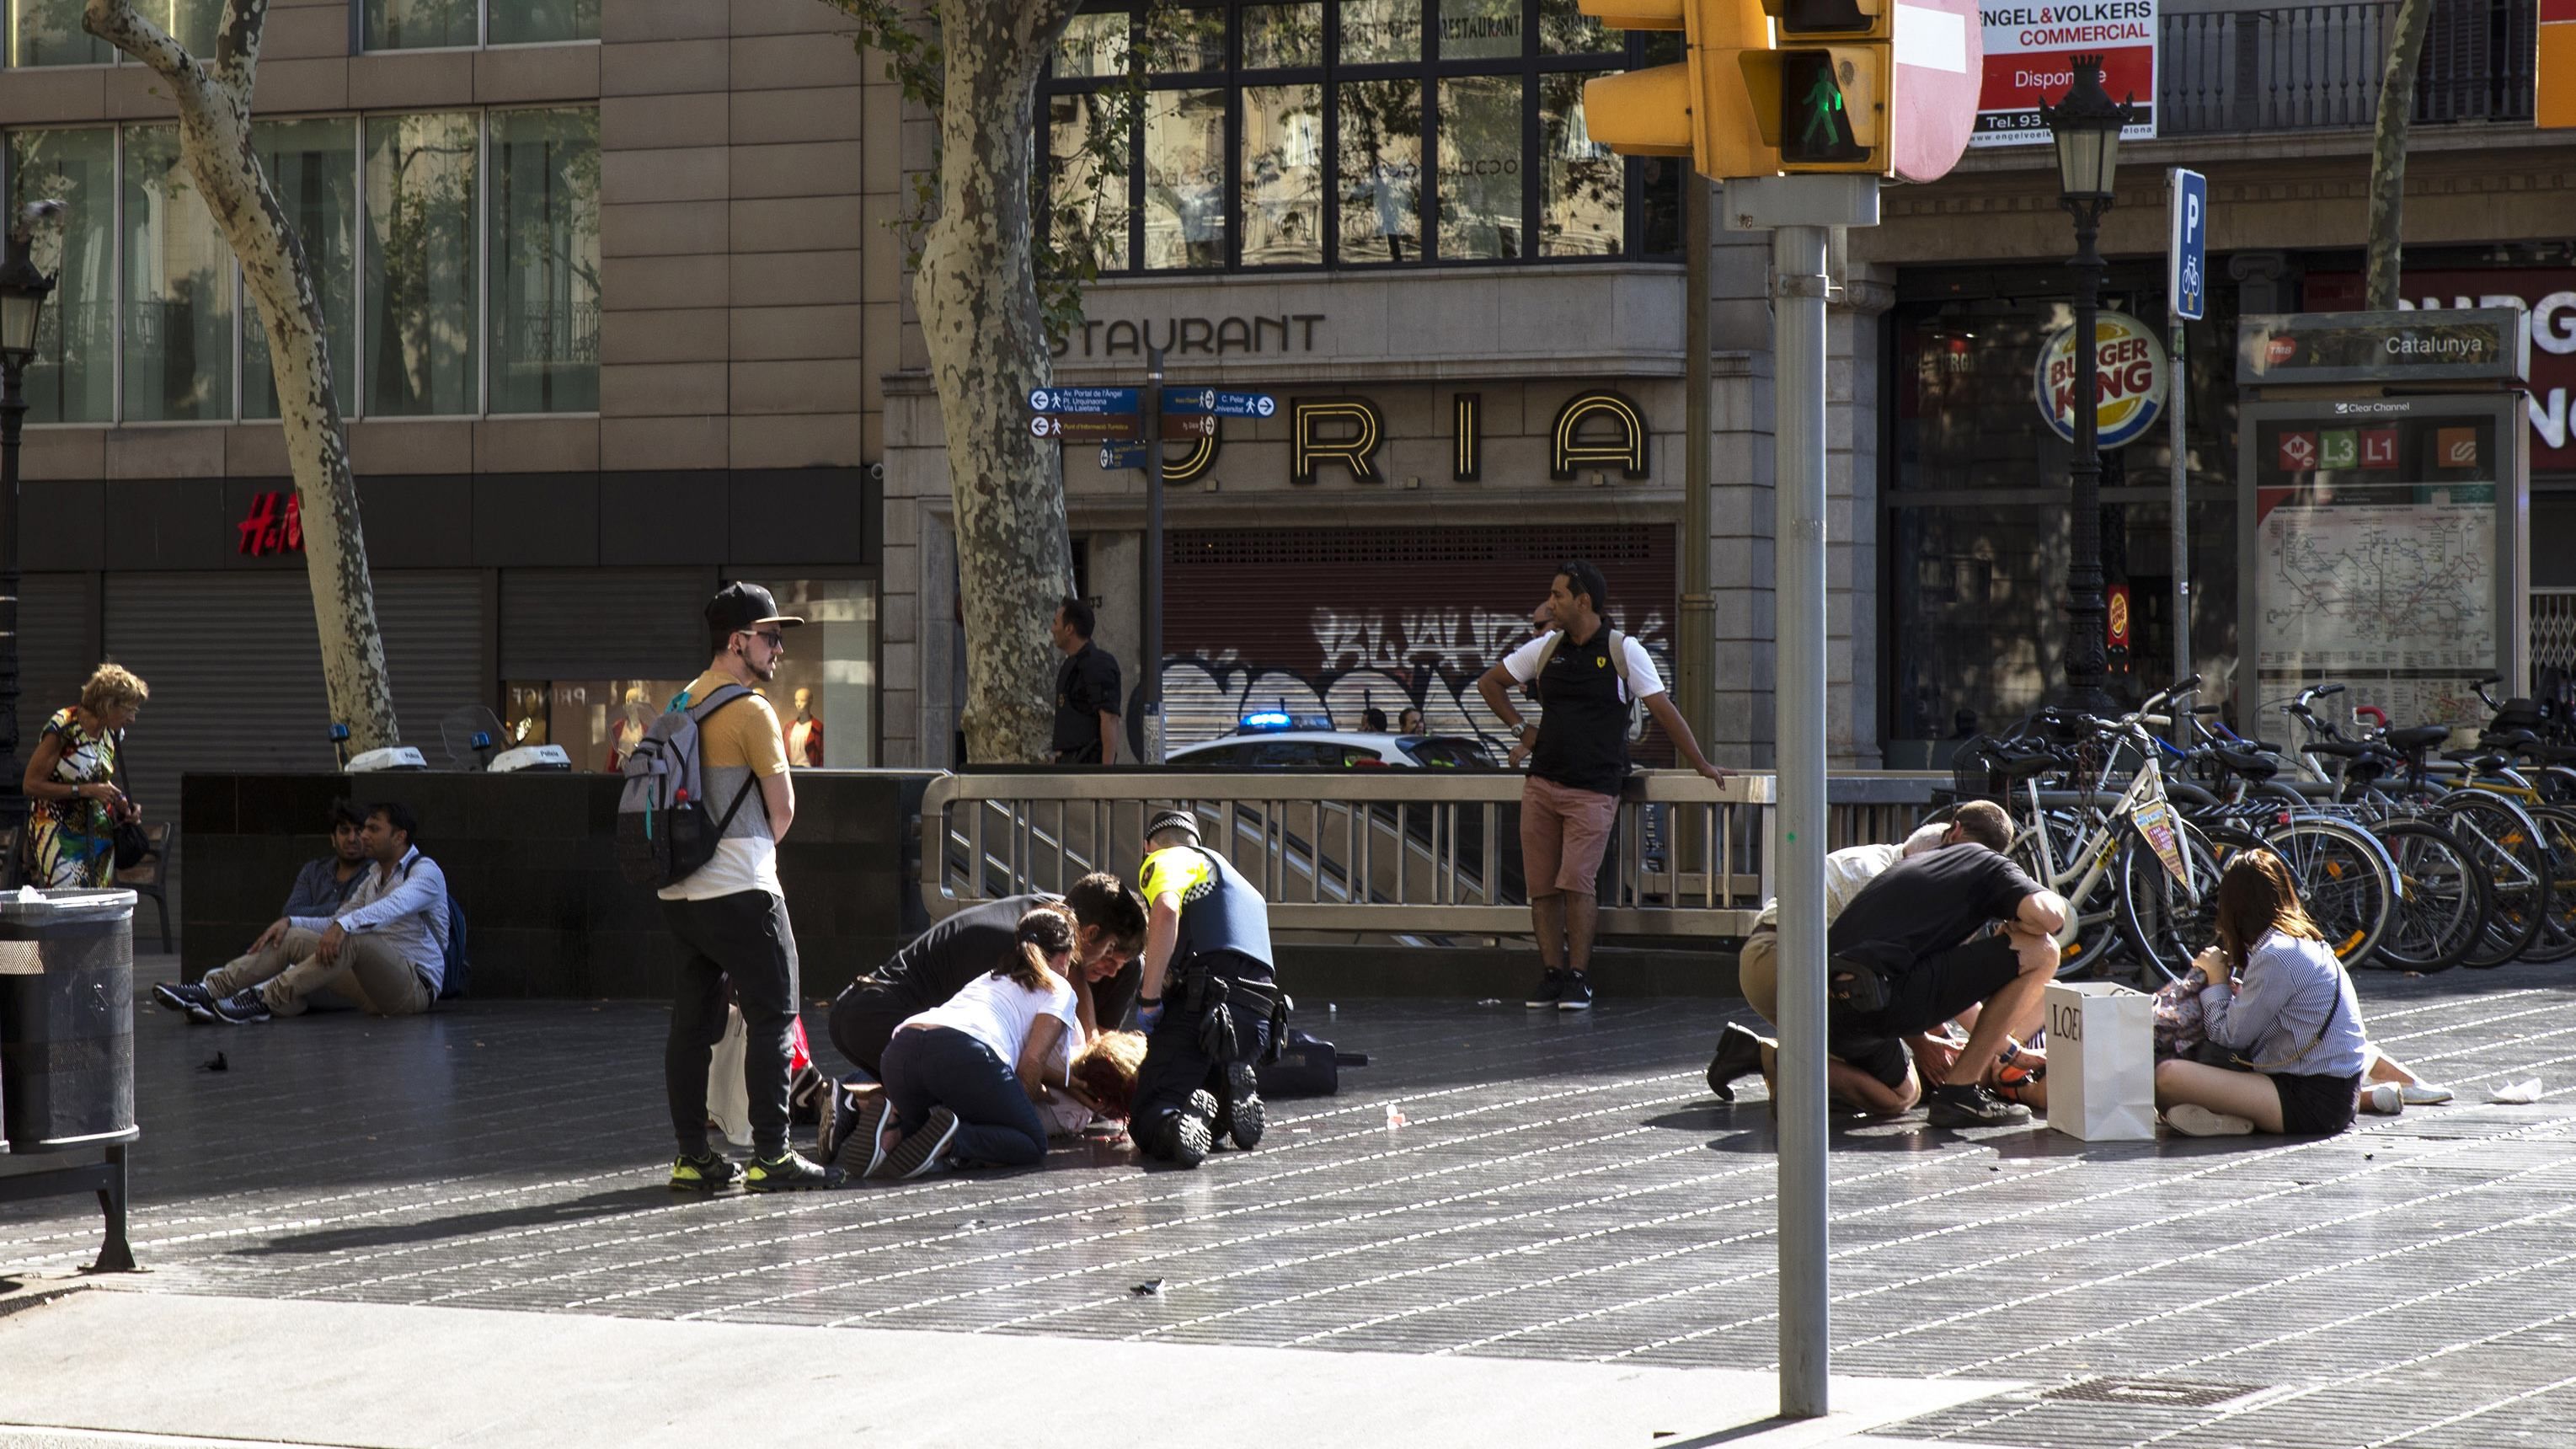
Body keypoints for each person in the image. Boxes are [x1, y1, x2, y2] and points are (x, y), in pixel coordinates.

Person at [1475, 561, 1729, 1013]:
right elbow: (1490, 683)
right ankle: (1551, 974)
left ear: (1583, 601)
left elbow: (1663, 710)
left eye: (1557, 596)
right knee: (1542, 887)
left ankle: (1578, 977)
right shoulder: (1546, 649)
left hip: (1594, 788)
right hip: (1542, 783)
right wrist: (1520, 731)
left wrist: (1700, 764)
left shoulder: (1623, 650)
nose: (1550, 604)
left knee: (1576, 881)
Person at [659, 582, 829, 1194]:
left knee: (691, 1024)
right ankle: (773, 1155)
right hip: (744, 887)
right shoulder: (752, 710)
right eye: (770, 637)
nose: (779, 650)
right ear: (738, 641)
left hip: (681, 893)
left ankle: (690, 1157)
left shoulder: (678, 701)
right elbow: (782, 810)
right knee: (774, 1016)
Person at [1705, 812, 1980, 1115]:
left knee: (1902, 1074)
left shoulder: (1886, 863)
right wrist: (1924, 1043)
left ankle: (1780, 1066)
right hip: (1784, 961)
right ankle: (1767, 1057)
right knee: (1901, 1095)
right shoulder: (1883, 880)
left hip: (1779, 959)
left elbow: (1925, 979)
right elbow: (1873, 979)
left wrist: (2000, 1047)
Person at [1814, 810, 2069, 1128]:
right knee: (2043, 951)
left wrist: (2009, 1051)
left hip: (1824, 1014)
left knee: (1903, 1094)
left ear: (1954, 829)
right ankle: (1960, 1093)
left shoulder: (1911, 868)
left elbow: (1947, 977)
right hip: (1875, 1004)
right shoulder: (1986, 862)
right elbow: (2050, 919)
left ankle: (1778, 1062)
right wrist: (2036, 907)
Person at [839, 907, 1087, 1180]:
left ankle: (892, 1130)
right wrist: (1021, 1109)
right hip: (965, 1054)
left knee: (924, 1123)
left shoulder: (991, 976)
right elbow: (1032, 1061)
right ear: (1065, 956)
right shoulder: (1058, 987)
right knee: (1030, 1142)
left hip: (901, 1050)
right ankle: (953, 1140)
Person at [2154, 850, 2373, 1137]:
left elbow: (2228, 1036)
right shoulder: (2302, 942)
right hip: (2335, 1091)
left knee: (2166, 1077)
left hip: (2311, 1103)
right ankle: (2372, 1097)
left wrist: (2217, 979)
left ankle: (2229, 1120)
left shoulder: (2275, 956)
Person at [174, 803, 450, 1024]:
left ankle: (261, 999)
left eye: (373, 829)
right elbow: (335, 920)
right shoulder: (375, 876)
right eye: (364, 828)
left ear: (399, 836)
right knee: (293, 937)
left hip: (413, 989)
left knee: (352, 937)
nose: (364, 835)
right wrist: (289, 921)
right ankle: (210, 989)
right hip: (370, 989)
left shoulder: (426, 872)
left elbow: (395, 905)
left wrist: (344, 926)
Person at [1129, 809, 1283, 1168]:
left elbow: (1166, 910)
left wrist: (1149, 999)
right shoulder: (1238, 881)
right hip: (1258, 1020)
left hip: (1206, 1009)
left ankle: (1172, 1121)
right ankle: (1228, 1101)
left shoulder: (1165, 859)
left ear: (1147, 846)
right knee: (1200, 1111)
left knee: (1150, 1111)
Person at [153, 799, 369, 1019]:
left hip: (337, 973)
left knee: (282, 960)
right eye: (345, 831)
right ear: (333, 838)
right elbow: (291, 912)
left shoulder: (373, 875)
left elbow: (352, 919)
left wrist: (314, 918)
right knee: (285, 990)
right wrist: (337, 907)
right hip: (299, 970)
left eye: (359, 831)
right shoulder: (315, 870)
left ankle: (211, 996)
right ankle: (214, 1006)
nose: (352, 838)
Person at [20, 663, 147, 888]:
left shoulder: (111, 733)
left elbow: (95, 777)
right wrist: (84, 791)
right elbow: (31, 784)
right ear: (108, 705)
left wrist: (120, 802)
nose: (132, 718)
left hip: (99, 834)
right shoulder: (64, 726)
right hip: (59, 832)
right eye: (129, 709)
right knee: (66, 905)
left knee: (97, 909)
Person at [1050, 596, 1122, 765]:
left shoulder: (1098, 665)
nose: (1052, 630)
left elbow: (1110, 718)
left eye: (1055, 623)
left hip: (1088, 766)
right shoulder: (1070, 666)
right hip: (1070, 767)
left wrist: (1104, 775)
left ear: (1069, 629)